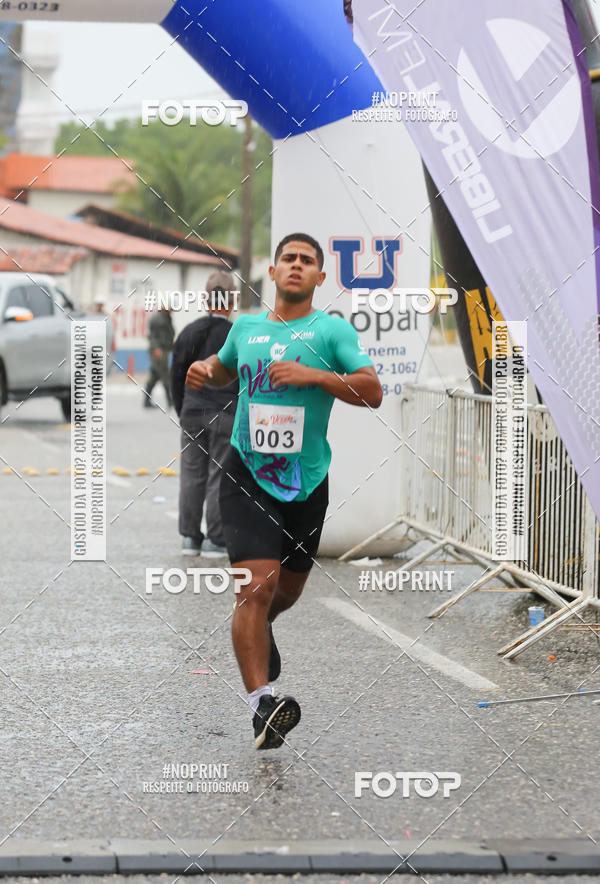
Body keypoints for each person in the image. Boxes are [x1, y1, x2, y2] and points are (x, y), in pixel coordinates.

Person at [185, 233, 382, 750]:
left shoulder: (332, 331)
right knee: (256, 587)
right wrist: (207, 370)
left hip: (306, 481)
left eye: (307, 261)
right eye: (288, 259)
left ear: (320, 277)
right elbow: (224, 368)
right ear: (271, 273)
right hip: (247, 472)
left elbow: (372, 390)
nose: (296, 266)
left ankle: (259, 628)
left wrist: (313, 375)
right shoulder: (245, 328)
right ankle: (262, 706)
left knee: (285, 592)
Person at [170, 271, 239, 557]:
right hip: (225, 414)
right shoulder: (237, 334)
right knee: (218, 475)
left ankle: (189, 538)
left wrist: (183, 408)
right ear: (233, 300)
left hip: (193, 410)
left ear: (204, 298)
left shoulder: (188, 332)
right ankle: (216, 539)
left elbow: (175, 375)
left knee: (191, 473)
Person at [144, 303, 175, 409]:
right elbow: (152, 336)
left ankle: (146, 401)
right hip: (158, 351)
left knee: (154, 376)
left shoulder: (167, 318)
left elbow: (168, 334)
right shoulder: (158, 319)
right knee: (165, 375)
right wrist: (156, 348)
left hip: (163, 350)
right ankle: (170, 402)